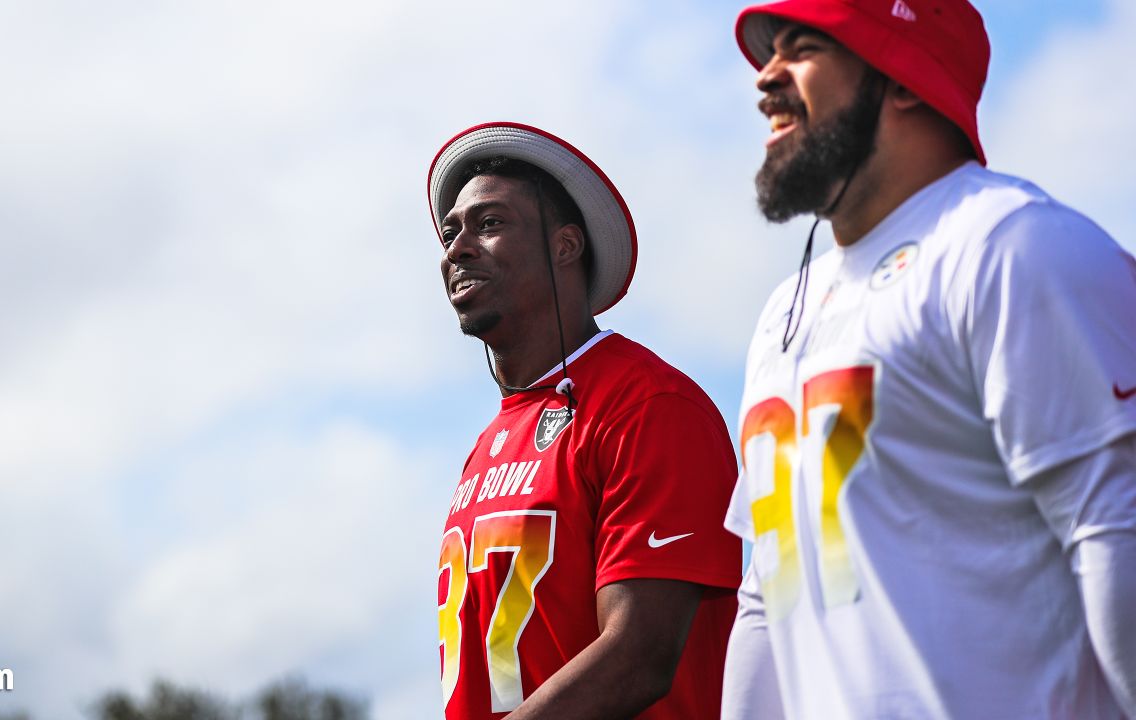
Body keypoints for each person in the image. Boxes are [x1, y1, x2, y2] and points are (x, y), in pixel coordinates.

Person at [719, 1, 1136, 718]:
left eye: (804, 48)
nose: (767, 78)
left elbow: (1117, 529)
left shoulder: (1013, 246)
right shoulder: (780, 314)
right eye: (769, 53)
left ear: (902, 79)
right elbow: (769, 593)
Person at [428, 122, 741, 719]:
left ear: (566, 246)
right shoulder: (488, 441)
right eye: (451, 232)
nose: (458, 248)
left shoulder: (648, 405)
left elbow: (640, 653)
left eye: (489, 224)